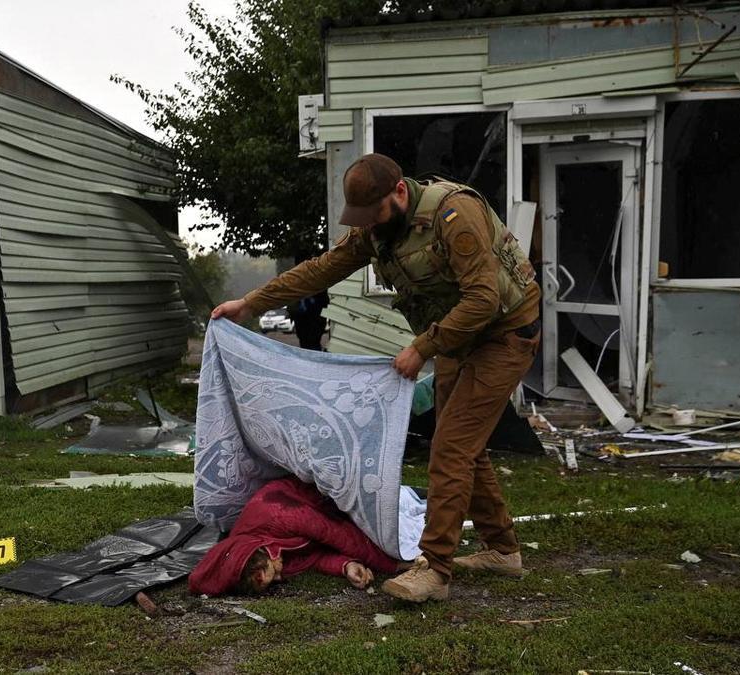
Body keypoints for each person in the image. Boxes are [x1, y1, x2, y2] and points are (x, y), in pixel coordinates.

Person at [211, 153, 541, 602]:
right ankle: (502, 550)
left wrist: (422, 347)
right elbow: (322, 269)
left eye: (376, 214)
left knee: (451, 449)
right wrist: (251, 304)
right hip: (458, 338)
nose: (369, 225)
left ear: (400, 193)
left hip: (504, 332)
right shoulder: (376, 228)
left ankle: (435, 570)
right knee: (461, 444)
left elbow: (483, 300)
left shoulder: (452, 214)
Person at [188, 476, 400, 596]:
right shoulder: (262, 551)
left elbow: (341, 535)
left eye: (274, 574)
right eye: (275, 580)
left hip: (335, 493)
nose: (281, 577)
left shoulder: (280, 516)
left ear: (266, 554)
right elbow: (312, 558)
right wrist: (346, 566)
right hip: (333, 514)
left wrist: (392, 564)